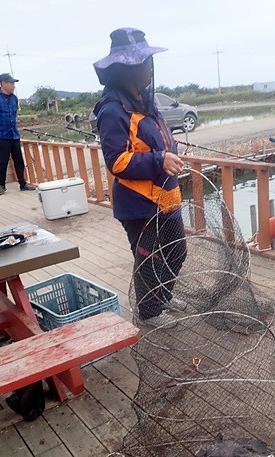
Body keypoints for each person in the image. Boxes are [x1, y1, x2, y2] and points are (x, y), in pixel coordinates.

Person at [93, 28, 187, 328]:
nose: (150, 67)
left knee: (176, 251)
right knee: (149, 259)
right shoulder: (112, 110)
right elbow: (117, 161)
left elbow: (153, 139)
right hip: (139, 203)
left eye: (149, 60)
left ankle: (163, 297)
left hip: (166, 196)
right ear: (128, 69)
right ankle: (149, 313)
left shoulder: (145, 100)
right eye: (144, 62)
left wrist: (170, 151)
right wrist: (159, 159)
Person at [0, 73, 35, 196]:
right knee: (3, 161)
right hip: (2, 135)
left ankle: (22, 183)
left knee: (19, 160)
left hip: (14, 135)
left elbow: (14, 114)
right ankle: (1, 186)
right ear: (3, 83)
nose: (13, 86)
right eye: (11, 83)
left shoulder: (14, 98)